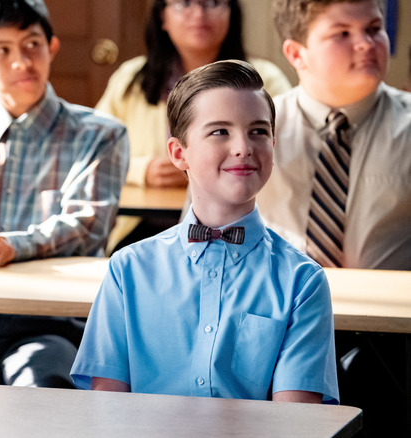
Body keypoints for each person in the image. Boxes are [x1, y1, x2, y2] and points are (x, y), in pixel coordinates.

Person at [71, 60, 339, 404]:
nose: (243, 147)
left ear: (274, 144)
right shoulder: (128, 270)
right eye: (220, 132)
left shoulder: (302, 281)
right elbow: (107, 408)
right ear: (178, 153)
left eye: (258, 131)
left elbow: (294, 421)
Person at [0, 0, 128, 388]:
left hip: (49, 323)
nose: (22, 62)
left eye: (32, 44)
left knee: (44, 386)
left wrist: (10, 246)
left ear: (52, 47)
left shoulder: (101, 135)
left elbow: (88, 226)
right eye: (2, 50)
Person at [257, 0, 411, 434]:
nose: (365, 44)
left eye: (374, 28)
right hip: (273, 330)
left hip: (392, 340)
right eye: (342, 33)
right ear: (296, 53)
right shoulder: (252, 130)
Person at [98, 0, 291, 252]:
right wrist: (142, 170)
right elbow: (98, 151)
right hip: (143, 226)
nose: (199, 14)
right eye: (185, 3)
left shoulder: (264, 81)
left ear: (231, 13)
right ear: (163, 17)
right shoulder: (130, 79)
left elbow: (285, 154)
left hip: (240, 227)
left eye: (213, 2)